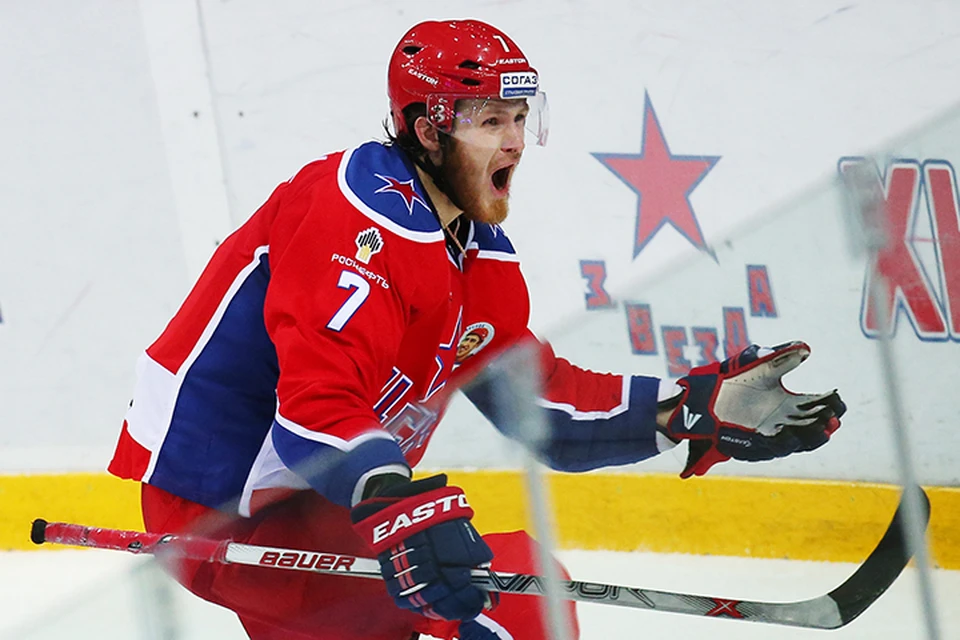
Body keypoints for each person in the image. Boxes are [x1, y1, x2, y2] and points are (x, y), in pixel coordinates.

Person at [107, 18, 846, 640]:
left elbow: (540, 405)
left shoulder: (477, 254)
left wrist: (684, 410)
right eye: (491, 121)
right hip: (223, 513)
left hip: (326, 502)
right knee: (509, 594)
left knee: (485, 587)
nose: (515, 142)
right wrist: (395, 503)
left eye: (521, 118)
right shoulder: (349, 221)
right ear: (428, 130)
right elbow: (317, 407)